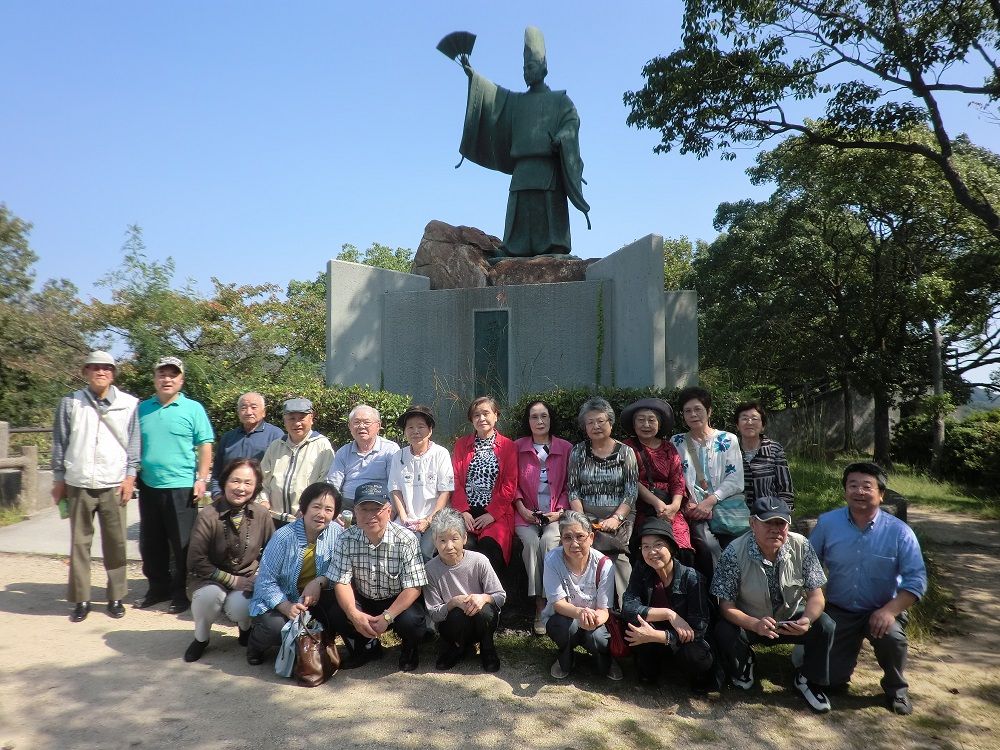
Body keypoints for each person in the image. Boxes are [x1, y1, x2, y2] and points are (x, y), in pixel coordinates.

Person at [453, 26, 589, 257]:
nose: (526, 72)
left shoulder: (560, 101)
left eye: (530, 66)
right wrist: (473, 76)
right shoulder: (516, 102)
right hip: (522, 171)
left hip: (548, 170)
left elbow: (571, 123)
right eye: (524, 68)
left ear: (544, 67)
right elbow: (494, 97)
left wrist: (562, 138)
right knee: (519, 211)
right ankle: (514, 247)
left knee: (549, 211)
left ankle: (555, 245)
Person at [808, 462, 927, 715]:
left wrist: (890, 611)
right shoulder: (828, 523)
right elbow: (808, 564)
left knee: (893, 637)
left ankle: (897, 690)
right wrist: (815, 601)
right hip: (839, 610)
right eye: (853, 485)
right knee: (829, 680)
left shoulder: (899, 532)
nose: (859, 491)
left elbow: (916, 580)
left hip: (882, 610)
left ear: (881, 494)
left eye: (867, 486)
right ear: (845, 492)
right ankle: (839, 674)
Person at [711, 496, 836, 713]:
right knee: (723, 629)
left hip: (789, 617)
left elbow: (816, 596)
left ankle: (808, 679)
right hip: (750, 620)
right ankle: (745, 662)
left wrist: (807, 620)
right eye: (767, 522)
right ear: (752, 523)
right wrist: (754, 624)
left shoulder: (802, 546)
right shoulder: (734, 552)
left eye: (781, 523)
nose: (775, 529)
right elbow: (726, 605)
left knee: (825, 625)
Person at [51, 350, 140, 622]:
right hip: (78, 481)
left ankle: (115, 596)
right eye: (94, 367)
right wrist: (58, 478)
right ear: (85, 372)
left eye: (106, 368)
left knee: (115, 543)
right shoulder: (71, 402)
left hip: (114, 482)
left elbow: (134, 443)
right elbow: (60, 441)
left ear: (113, 373)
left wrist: (130, 476)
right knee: (79, 544)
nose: (101, 372)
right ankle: (82, 599)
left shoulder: (129, 404)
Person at [136, 356, 214, 614]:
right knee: (151, 541)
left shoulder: (193, 408)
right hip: (148, 485)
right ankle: (157, 588)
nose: (167, 379)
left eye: (173, 375)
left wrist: (201, 479)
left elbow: (205, 445)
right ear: (155, 378)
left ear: (181, 380)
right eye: (162, 374)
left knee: (182, 544)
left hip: (182, 486)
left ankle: (181, 592)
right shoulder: (142, 409)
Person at [325, 482, 429, 672]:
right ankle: (366, 648)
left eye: (377, 509)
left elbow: (414, 587)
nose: (370, 515)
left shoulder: (406, 539)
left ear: (389, 511)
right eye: (364, 509)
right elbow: (342, 581)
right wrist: (353, 614)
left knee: (412, 621)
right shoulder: (345, 539)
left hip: (397, 601)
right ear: (355, 511)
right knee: (337, 612)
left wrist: (388, 616)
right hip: (365, 598)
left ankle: (409, 649)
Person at [184, 458, 274, 662]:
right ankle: (201, 638)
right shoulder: (208, 515)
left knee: (241, 605)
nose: (241, 488)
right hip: (208, 578)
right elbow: (196, 559)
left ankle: (245, 629)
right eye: (235, 481)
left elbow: (272, 551)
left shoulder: (261, 515)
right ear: (225, 481)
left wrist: (259, 575)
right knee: (209, 597)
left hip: (247, 578)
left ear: (256, 486)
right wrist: (232, 581)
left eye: (248, 483)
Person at [246, 482, 343, 665]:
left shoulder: (337, 533)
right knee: (275, 629)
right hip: (281, 599)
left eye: (329, 509)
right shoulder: (283, 537)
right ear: (304, 507)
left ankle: (315, 642)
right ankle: (256, 644)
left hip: (314, 598)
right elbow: (265, 580)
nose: (322, 514)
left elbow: (339, 569)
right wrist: (285, 606)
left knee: (340, 610)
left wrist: (320, 581)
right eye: (316, 507)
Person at [621, 518, 718, 692]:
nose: (652, 552)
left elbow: (698, 629)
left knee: (695, 653)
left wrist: (658, 636)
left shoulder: (692, 577)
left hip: (683, 642)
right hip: (655, 636)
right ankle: (649, 673)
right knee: (631, 624)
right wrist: (669, 614)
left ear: (672, 548)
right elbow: (628, 607)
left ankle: (699, 678)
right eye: (646, 547)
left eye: (658, 545)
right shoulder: (642, 571)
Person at [567, 396, 638, 604]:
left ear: (610, 422)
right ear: (584, 427)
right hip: (585, 513)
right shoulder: (578, 451)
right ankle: (586, 605)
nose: (596, 426)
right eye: (590, 422)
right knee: (582, 550)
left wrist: (616, 518)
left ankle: (626, 608)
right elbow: (573, 490)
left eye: (601, 421)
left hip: (620, 514)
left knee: (618, 557)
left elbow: (631, 492)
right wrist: (581, 519)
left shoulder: (626, 452)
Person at [671, 386, 746, 577]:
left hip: (724, 508)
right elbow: (675, 476)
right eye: (687, 411)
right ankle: (716, 599)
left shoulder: (728, 439)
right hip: (695, 510)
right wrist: (687, 503)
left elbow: (735, 479)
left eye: (698, 409)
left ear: (709, 411)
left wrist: (710, 501)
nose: (693, 414)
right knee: (707, 545)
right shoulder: (677, 442)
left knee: (736, 549)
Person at [513, 400, 572, 635]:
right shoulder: (517, 447)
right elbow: (510, 482)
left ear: (550, 419)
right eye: (534, 417)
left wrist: (561, 511)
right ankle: (539, 604)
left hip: (556, 515)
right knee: (530, 543)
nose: (539, 421)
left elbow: (571, 485)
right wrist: (521, 508)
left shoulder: (566, 448)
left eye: (544, 416)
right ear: (528, 421)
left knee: (549, 542)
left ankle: (550, 601)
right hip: (524, 514)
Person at [424, 508, 507, 672]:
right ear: (434, 541)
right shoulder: (430, 569)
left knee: (485, 610)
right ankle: (456, 648)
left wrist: (483, 598)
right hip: (451, 625)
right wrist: (453, 603)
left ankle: (487, 648)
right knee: (455, 613)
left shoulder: (479, 561)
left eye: (454, 539)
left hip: (480, 621)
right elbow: (434, 613)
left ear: (464, 538)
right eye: (442, 540)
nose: (449, 546)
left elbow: (500, 596)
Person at [542, 510, 621, 681]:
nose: (574, 543)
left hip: (594, 620)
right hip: (565, 618)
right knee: (564, 628)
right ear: (561, 539)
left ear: (591, 537)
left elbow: (604, 610)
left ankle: (604, 657)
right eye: (567, 538)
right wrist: (580, 613)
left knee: (598, 638)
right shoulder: (552, 560)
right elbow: (558, 604)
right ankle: (565, 655)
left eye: (580, 536)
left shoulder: (604, 564)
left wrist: (592, 619)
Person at [450, 396, 518, 575]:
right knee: (463, 546)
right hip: (466, 513)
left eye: (486, 413)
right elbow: (455, 479)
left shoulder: (508, 446)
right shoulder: (461, 445)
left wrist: (492, 514)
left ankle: (490, 598)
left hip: (495, 514)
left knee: (490, 548)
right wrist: (463, 511)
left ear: (496, 416)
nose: (481, 419)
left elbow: (510, 485)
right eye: (476, 415)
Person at [621, 397, 693, 565]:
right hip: (642, 506)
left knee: (681, 543)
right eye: (641, 420)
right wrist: (656, 503)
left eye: (651, 420)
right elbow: (630, 479)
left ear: (659, 424)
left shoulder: (669, 447)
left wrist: (674, 506)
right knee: (649, 542)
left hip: (670, 506)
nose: (646, 425)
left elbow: (677, 479)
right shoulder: (626, 447)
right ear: (633, 424)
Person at [388, 404, 453, 559]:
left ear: (430, 430)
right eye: (410, 427)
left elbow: (445, 492)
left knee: (423, 552)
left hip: (435, 517)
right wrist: (403, 517)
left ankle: (427, 584)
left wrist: (428, 520)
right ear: (404, 432)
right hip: (407, 519)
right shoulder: (399, 456)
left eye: (421, 426)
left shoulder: (440, 453)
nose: (415, 431)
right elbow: (395, 490)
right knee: (396, 548)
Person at [258, 398, 335, 523]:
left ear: (311, 418)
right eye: (292, 418)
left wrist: (309, 506)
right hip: (272, 517)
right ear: (284, 420)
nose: (297, 423)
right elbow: (262, 479)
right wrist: (263, 500)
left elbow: (325, 483)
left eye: (301, 418)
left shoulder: (322, 445)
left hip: (304, 519)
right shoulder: (276, 445)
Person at [326, 404, 399, 514]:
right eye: (356, 422)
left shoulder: (390, 449)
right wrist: (333, 512)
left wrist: (392, 511)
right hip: (349, 507)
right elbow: (332, 485)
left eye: (366, 422)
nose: (361, 426)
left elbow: (394, 485)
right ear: (350, 427)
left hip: (378, 505)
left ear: (378, 426)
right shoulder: (343, 452)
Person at [210, 392, 284, 499]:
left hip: (261, 500)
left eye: (254, 407)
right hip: (229, 499)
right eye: (244, 408)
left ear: (264, 412)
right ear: (238, 412)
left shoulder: (275, 435)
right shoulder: (228, 438)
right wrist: (217, 494)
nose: (249, 412)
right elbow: (217, 472)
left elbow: (280, 474)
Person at [735, 400, 794, 513]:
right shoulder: (730, 450)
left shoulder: (774, 449)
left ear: (763, 426)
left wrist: (783, 515)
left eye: (755, 418)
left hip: (768, 515)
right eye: (744, 418)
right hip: (736, 517)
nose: (749, 422)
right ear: (737, 425)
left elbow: (785, 488)